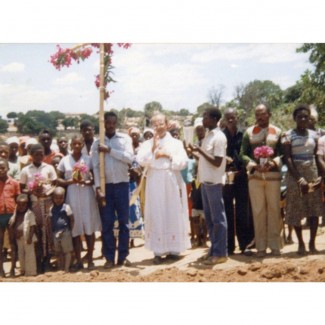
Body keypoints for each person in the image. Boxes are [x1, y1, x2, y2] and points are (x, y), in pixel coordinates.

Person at [137, 113, 191, 264]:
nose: (158, 127)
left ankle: (174, 249)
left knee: (172, 211)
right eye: (155, 124)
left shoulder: (176, 143)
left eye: (161, 124)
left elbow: (183, 162)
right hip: (155, 179)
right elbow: (141, 161)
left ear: (167, 125)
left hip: (171, 178)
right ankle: (158, 250)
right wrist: (153, 148)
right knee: (157, 212)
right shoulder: (147, 143)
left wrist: (168, 155)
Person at [239, 103, 283, 257]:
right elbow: (243, 153)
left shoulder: (278, 131)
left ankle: (275, 246)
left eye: (262, 113)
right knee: (258, 212)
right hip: (255, 177)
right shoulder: (249, 133)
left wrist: (273, 162)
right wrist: (253, 165)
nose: (259, 117)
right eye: (257, 114)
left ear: (269, 114)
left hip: (273, 177)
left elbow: (284, 153)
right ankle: (261, 247)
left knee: (274, 210)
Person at [92, 111, 134, 268]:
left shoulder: (124, 139)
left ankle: (123, 256)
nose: (110, 126)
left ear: (116, 124)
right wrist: (97, 187)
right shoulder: (97, 143)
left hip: (122, 184)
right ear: (103, 124)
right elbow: (95, 167)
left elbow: (129, 158)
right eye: (107, 123)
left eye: (113, 123)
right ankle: (109, 257)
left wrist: (110, 150)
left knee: (124, 222)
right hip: (106, 187)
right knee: (107, 223)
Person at [283, 104, 323, 255]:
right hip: (295, 175)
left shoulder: (315, 135)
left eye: (306, 116)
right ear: (295, 118)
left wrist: (320, 177)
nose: (303, 119)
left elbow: (317, 156)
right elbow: (288, 158)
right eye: (300, 116)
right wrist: (299, 179)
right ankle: (300, 244)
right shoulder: (288, 135)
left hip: (312, 173)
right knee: (295, 209)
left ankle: (312, 243)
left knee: (314, 209)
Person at [189, 107, 228, 265]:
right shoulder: (208, 136)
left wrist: (200, 150)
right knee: (210, 219)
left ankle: (220, 253)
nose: (203, 120)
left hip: (214, 182)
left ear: (213, 119)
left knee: (218, 219)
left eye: (205, 117)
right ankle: (213, 250)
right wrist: (195, 152)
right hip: (205, 181)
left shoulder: (218, 137)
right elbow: (207, 159)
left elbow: (217, 161)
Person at [57, 135, 101, 270]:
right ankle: (78, 260)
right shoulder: (65, 160)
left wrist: (87, 182)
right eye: (74, 144)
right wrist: (70, 181)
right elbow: (58, 179)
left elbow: (95, 178)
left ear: (82, 145)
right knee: (75, 228)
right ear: (71, 145)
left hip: (86, 194)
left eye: (79, 144)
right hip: (72, 195)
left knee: (89, 227)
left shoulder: (88, 159)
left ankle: (90, 259)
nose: (76, 146)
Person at [20, 143, 57, 273]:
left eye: (41, 154)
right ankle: (38, 261)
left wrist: (47, 192)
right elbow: (22, 188)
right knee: (37, 232)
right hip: (34, 204)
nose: (39, 156)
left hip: (47, 203)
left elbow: (54, 184)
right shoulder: (26, 170)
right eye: (36, 154)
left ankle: (48, 260)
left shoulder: (49, 168)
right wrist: (32, 192)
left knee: (48, 232)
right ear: (31, 155)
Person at [222, 107, 254, 255]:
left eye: (232, 117)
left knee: (243, 211)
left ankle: (244, 245)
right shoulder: (221, 136)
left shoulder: (245, 134)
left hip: (241, 175)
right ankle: (229, 247)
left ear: (237, 117)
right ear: (224, 119)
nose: (230, 120)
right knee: (227, 210)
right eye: (227, 117)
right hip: (226, 177)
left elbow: (248, 153)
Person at [0, 157, 20, 277]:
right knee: (0, 244)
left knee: (13, 243)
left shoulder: (14, 183)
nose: (1, 170)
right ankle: (1, 270)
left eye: (3, 168)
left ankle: (12, 269)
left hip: (11, 216)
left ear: (8, 168)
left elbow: (18, 200)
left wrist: (15, 215)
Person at [9, 194, 37, 277]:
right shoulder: (16, 215)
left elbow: (32, 226)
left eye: (23, 204)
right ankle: (23, 270)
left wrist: (30, 237)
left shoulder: (29, 213)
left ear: (27, 204)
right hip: (19, 238)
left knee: (29, 254)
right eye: (19, 204)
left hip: (27, 237)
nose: (21, 206)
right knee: (21, 254)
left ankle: (31, 272)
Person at [49, 187, 74, 272]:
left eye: (61, 198)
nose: (58, 200)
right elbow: (49, 220)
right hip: (55, 232)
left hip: (65, 231)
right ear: (53, 198)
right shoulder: (51, 208)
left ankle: (66, 268)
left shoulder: (66, 207)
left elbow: (71, 218)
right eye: (56, 198)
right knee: (58, 252)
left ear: (64, 198)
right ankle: (60, 268)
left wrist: (70, 229)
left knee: (67, 251)